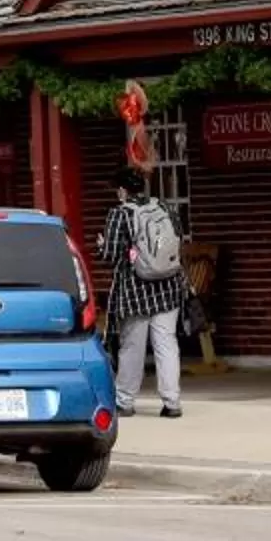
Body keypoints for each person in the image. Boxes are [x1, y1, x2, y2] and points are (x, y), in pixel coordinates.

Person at [96, 166, 187, 420]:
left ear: (123, 190)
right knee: (166, 343)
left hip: (135, 288)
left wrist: (102, 246)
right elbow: (176, 238)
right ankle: (172, 402)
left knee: (132, 346)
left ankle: (125, 400)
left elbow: (112, 255)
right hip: (168, 285)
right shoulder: (163, 207)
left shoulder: (119, 214)